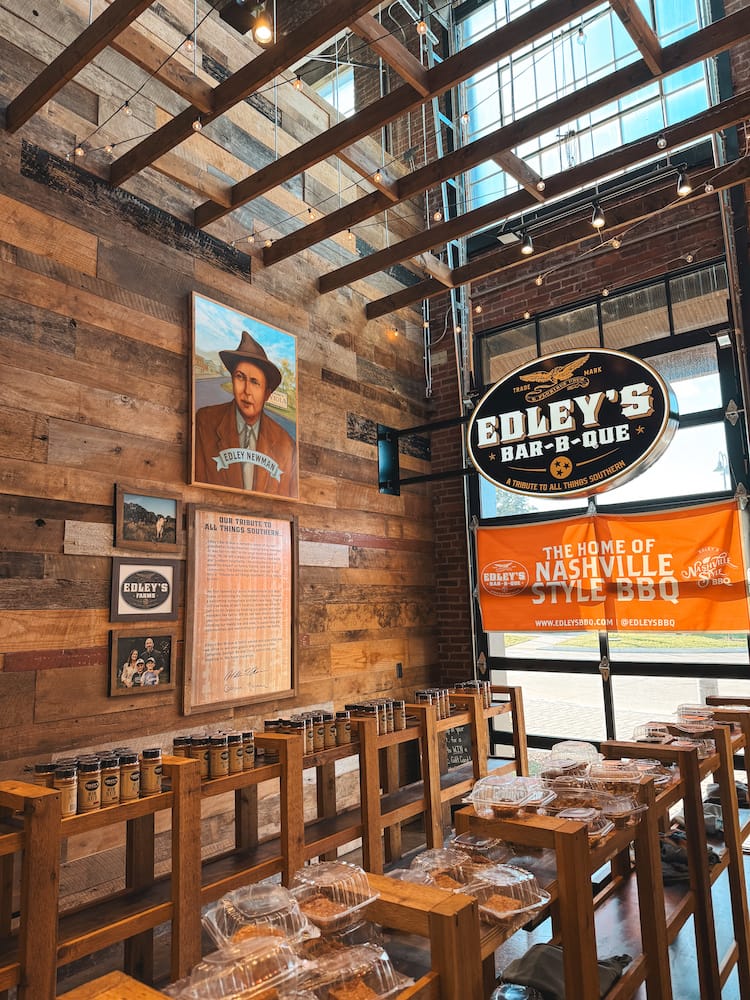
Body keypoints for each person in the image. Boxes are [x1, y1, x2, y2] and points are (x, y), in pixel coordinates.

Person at [193, 331, 298, 496]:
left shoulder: (286, 445)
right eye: (240, 377)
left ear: (267, 394)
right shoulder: (205, 422)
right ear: (232, 380)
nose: (247, 391)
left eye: (255, 382)